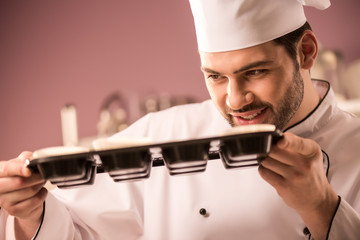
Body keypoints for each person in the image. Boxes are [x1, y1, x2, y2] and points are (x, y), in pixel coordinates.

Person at [1, 0, 360, 239]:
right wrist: (31, 211)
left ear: (307, 52)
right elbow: (76, 231)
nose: (235, 99)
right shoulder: (163, 136)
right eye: (216, 77)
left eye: (255, 72)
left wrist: (323, 209)